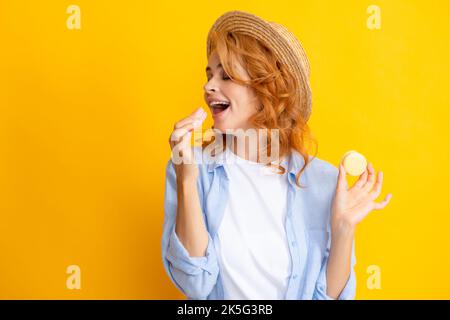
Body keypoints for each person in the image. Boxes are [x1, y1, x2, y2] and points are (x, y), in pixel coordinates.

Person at [161, 10, 392, 300]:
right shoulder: (190, 167)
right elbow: (195, 284)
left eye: (226, 75)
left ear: (266, 89)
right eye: (209, 74)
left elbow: (328, 297)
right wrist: (186, 179)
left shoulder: (324, 180)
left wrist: (344, 228)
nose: (208, 87)